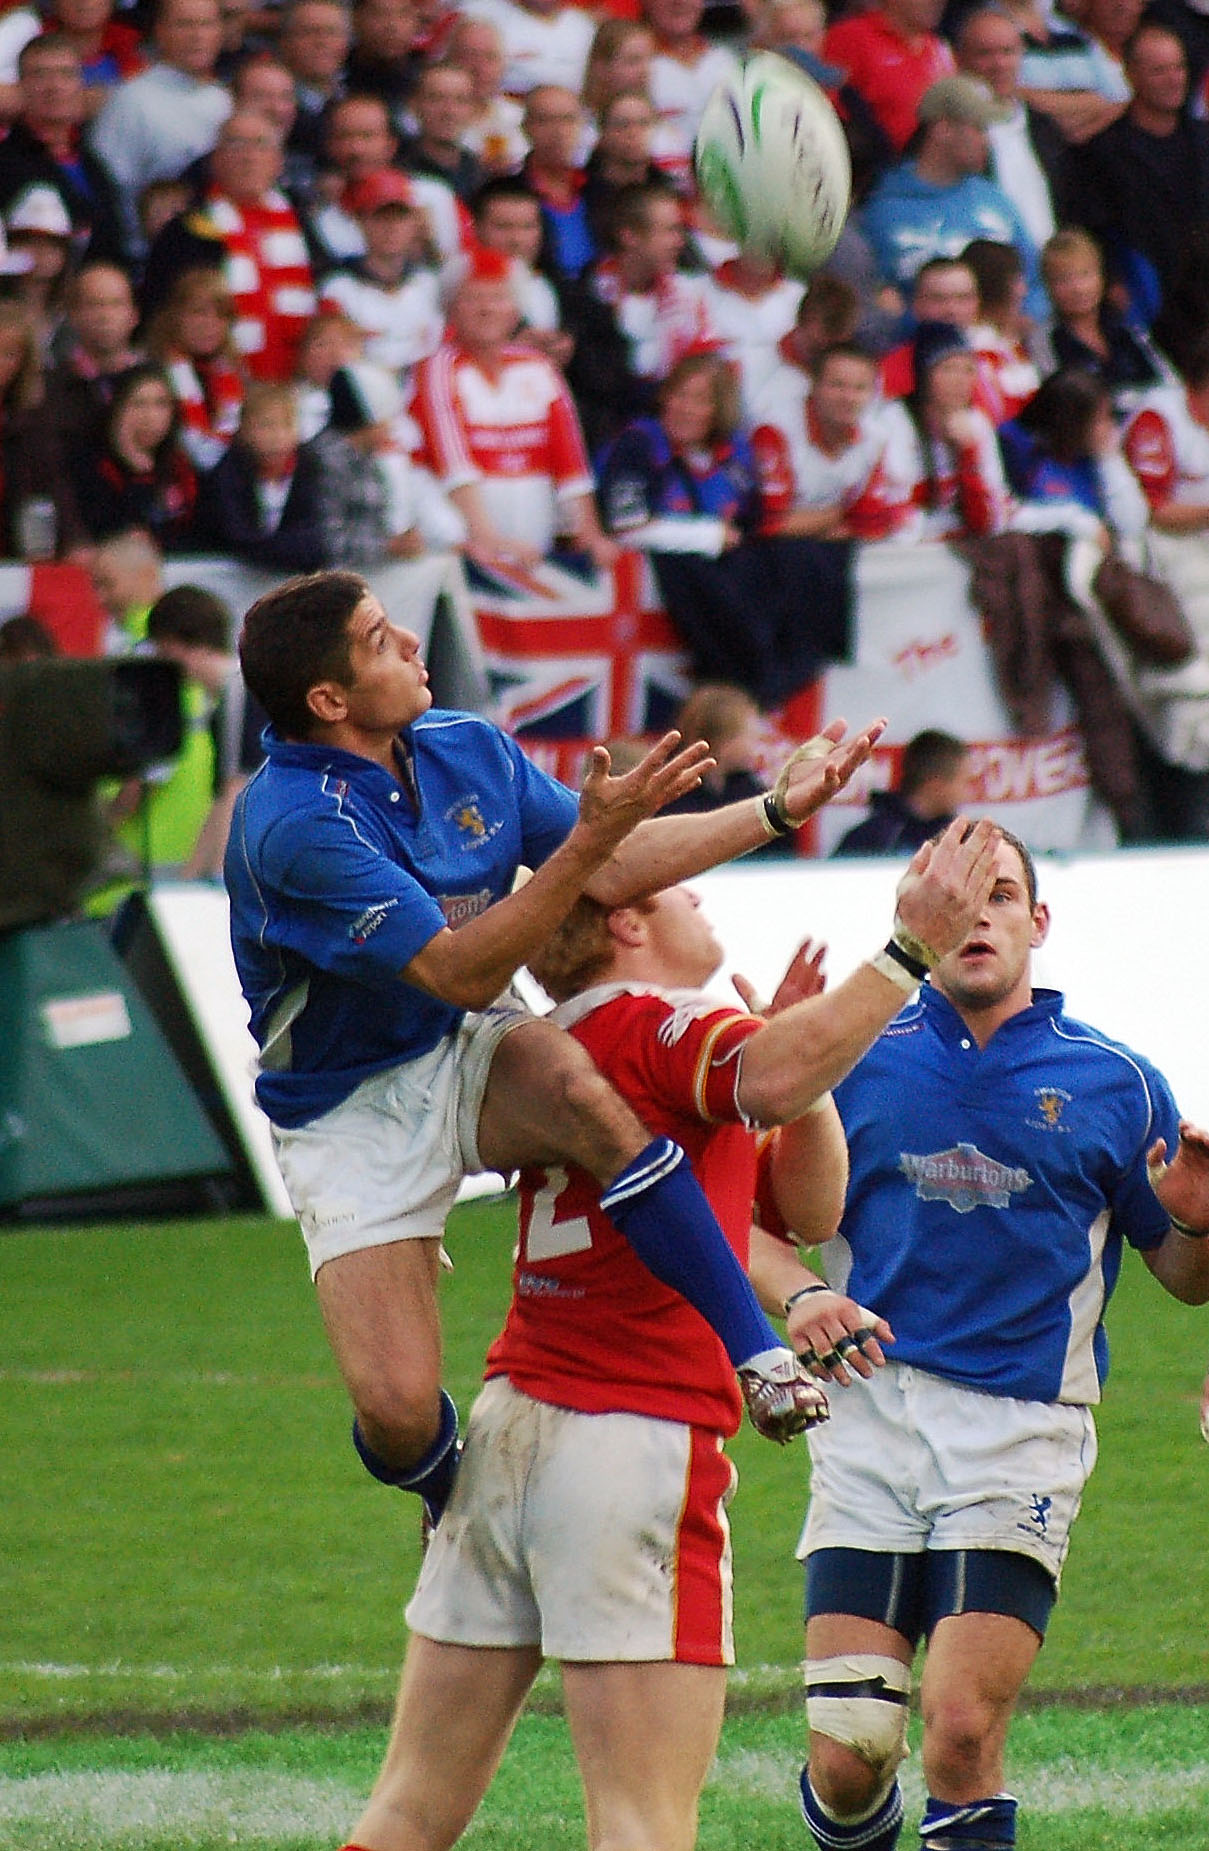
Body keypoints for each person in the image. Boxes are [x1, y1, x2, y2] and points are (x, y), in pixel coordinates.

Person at [332, 818, 1001, 1851]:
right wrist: (906, 951)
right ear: (628, 921)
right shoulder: (664, 1021)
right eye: (680, 888)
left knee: (411, 1808)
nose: (698, 895)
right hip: (632, 1441)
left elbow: (808, 1209)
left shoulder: (549, 1048)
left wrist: (800, 1066)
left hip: (510, 1431)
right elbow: (767, 1078)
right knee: (642, 1820)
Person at [224, 567, 887, 1535]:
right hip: (346, 1106)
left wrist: (774, 810)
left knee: (583, 1091)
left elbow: (611, 866)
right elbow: (458, 965)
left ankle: (760, 1355)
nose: (410, 642)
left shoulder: (464, 746)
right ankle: (445, 1488)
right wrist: (585, 848)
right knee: (397, 1413)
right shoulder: (294, 824)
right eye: (378, 640)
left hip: (462, 1038)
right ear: (329, 701)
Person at [795, 826, 1209, 1851]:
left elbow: (1183, 1278)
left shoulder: (1119, 1082)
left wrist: (1197, 1221)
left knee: (962, 1729)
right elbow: (751, 1224)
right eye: (955, 895)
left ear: (1039, 919)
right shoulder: (847, 1057)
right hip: (866, 1424)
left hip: (1021, 1434)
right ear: (912, 916)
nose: (978, 915)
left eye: (1003, 895)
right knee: (847, 1759)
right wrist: (801, 1294)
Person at [832, 729, 974, 855]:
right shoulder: (869, 840)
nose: (969, 792)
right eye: (965, 782)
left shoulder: (962, 839)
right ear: (935, 786)